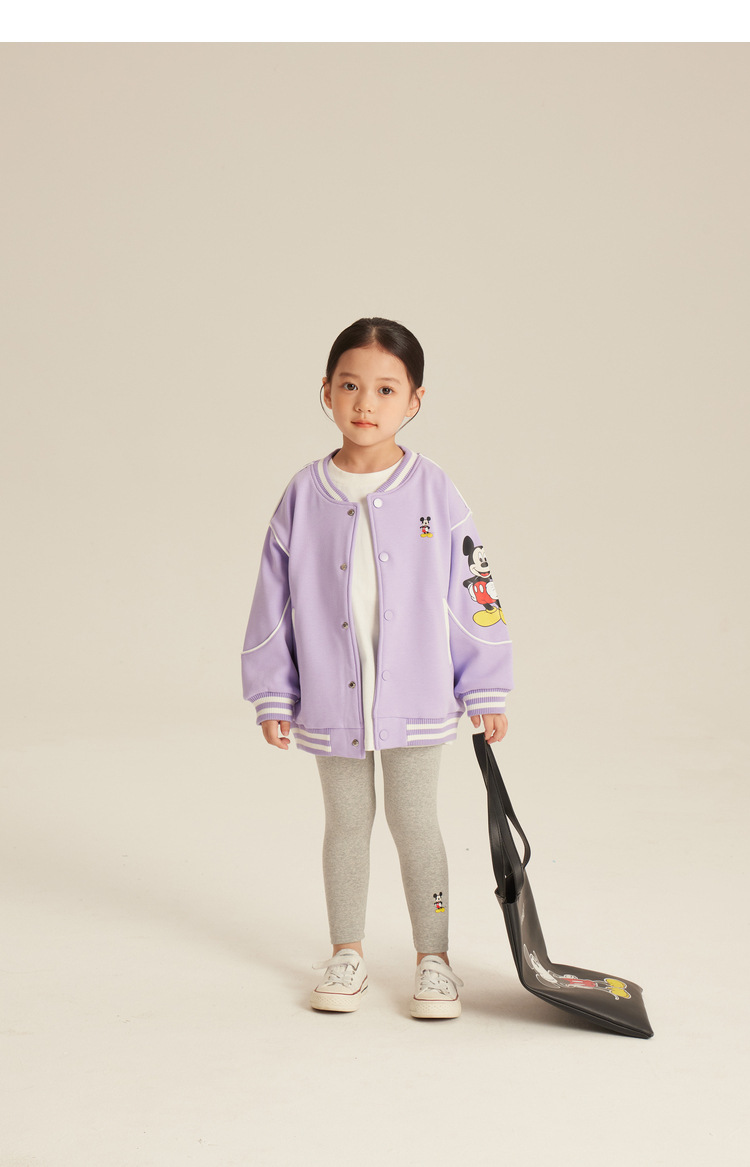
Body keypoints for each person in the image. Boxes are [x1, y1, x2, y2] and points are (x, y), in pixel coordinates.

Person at [241, 317, 512, 1019]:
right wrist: (274, 693)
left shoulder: (435, 491)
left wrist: (484, 683)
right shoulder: (304, 494)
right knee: (346, 823)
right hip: (331, 698)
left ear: (415, 399)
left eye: (387, 389)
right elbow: (271, 602)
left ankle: (434, 958)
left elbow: (472, 590)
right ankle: (347, 952)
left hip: (417, 696)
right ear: (326, 391)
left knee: (415, 822)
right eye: (350, 385)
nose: (366, 403)